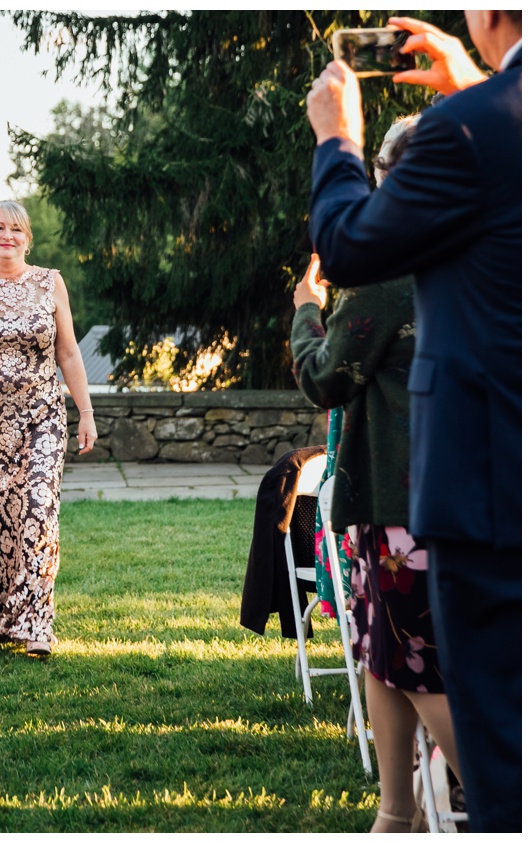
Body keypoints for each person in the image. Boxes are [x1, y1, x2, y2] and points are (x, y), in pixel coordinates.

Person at [306, 11, 520, 832]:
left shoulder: (465, 136)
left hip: (471, 481)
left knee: (476, 708)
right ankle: (397, 810)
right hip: (412, 497)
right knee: (388, 657)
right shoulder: (493, 118)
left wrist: (337, 142)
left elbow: (349, 249)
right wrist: (478, 83)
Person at [293, 116, 454, 832]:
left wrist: (306, 310)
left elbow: (326, 377)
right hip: (459, 494)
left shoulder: (387, 275)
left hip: (399, 502)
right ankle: (397, 810)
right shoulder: (485, 255)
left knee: (414, 661)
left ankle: (509, 805)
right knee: (383, 656)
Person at [0, 199, 96, 660]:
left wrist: (86, 412)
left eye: (15, 229)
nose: (7, 236)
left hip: (41, 417)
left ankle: (35, 622)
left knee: (36, 510)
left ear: (28, 237)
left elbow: (69, 353)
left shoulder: (50, 282)